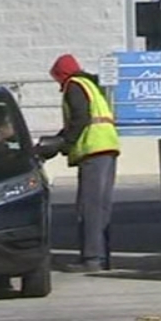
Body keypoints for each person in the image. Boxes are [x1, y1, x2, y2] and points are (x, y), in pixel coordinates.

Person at [50, 53, 122, 271]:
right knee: (101, 207)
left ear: (61, 73)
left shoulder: (74, 85)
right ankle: (103, 258)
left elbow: (80, 119)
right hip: (108, 147)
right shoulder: (90, 84)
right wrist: (60, 140)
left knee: (89, 207)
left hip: (93, 149)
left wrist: (64, 143)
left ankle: (92, 259)